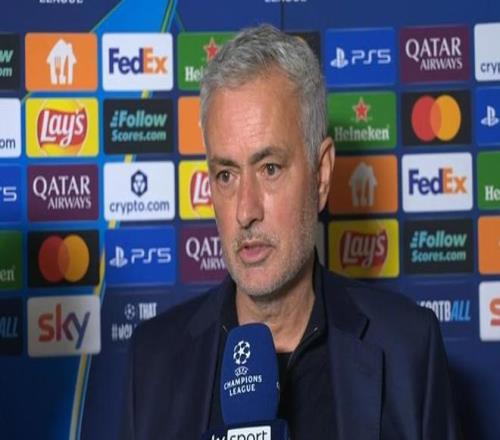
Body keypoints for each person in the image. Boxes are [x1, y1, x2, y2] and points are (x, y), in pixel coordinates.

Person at [119, 24, 460, 439]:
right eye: (226, 174)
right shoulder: (152, 360)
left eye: (270, 169)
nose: (246, 211)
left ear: (322, 175)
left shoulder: (409, 349)